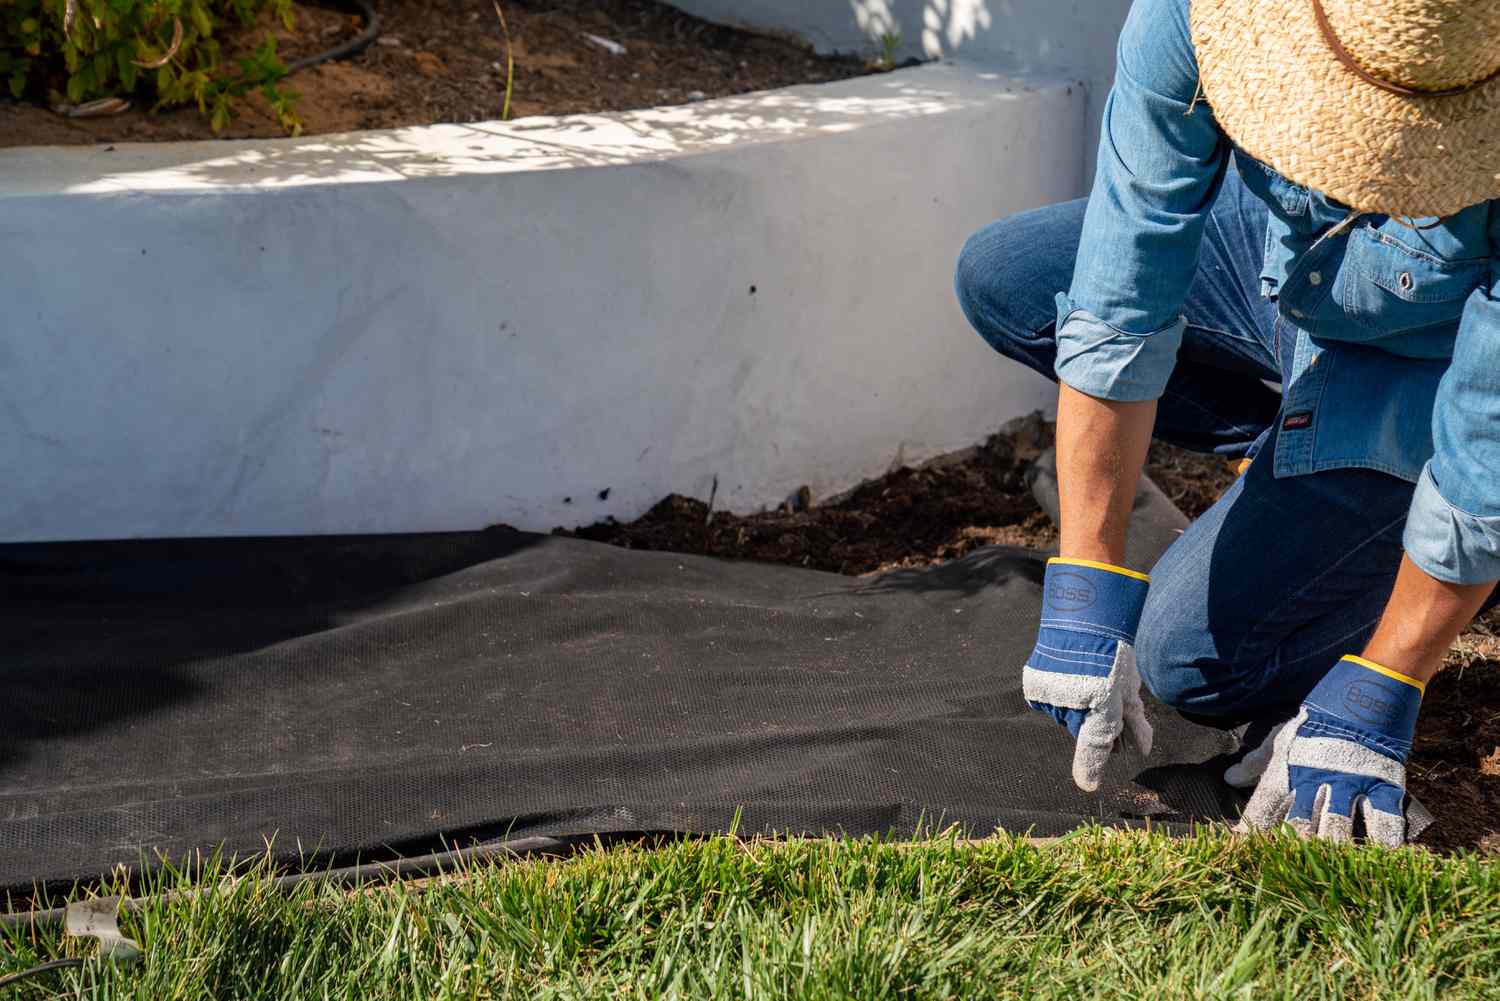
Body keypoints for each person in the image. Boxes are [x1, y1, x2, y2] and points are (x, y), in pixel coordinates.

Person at [955, 0, 1500, 845]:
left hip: (1433, 344)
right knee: (1012, 278)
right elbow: (1118, 298)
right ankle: (1320, 479)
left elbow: (1485, 449)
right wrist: (1086, 586)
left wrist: (1383, 686)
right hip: (1304, 261)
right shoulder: (1206, 16)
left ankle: (1365, 507)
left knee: (1193, 660)